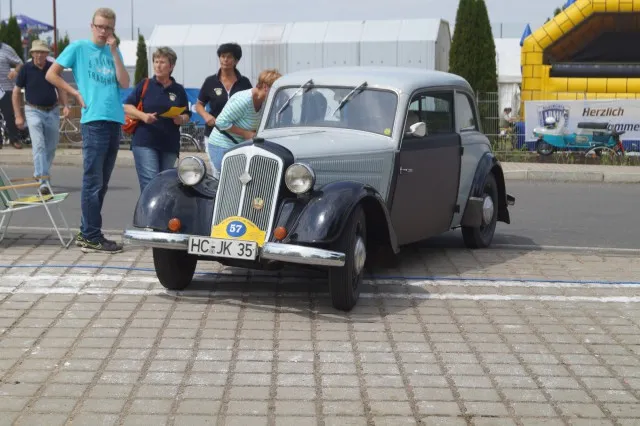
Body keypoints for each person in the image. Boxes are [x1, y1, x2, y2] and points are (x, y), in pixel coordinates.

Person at [46, 7, 130, 254]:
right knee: (93, 181)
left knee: (102, 183)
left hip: (114, 119)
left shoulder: (114, 51)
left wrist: (114, 52)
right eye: (100, 26)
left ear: (113, 30)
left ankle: (87, 233)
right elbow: (52, 74)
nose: (104, 31)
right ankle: (91, 235)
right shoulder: (79, 48)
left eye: (108, 28)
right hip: (94, 120)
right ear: (92, 26)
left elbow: (125, 83)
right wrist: (74, 92)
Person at [124, 47, 191, 193]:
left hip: (169, 144)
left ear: (171, 66)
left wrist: (181, 118)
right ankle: (147, 209)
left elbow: (187, 113)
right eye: (156, 61)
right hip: (145, 141)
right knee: (151, 184)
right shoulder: (145, 84)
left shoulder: (178, 89)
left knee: (165, 185)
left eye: (162, 62)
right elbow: (127, 106)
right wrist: (143, 116)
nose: (158, 66)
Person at [12, 40, 71, 195]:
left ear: (46, 54)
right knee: (39, 146)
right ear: (32, 54)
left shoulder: (52, 68)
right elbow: (16, 92)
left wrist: (66, 105)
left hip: (52, 110)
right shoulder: (25, 69)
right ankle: (43, 181)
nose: (39, 55)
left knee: (51, 147)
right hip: (33, 111)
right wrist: (18, 116)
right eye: (36, 52)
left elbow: (61, 88)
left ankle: (40, 172)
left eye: (42, 52)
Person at [207, 69, 282, 177]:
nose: (277, 95)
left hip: (239, 147)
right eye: (276, 91)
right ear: (266, 87)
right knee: (231, 180)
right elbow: (220, 122)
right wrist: (245, 133)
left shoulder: (263, 102)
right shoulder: (244, 100)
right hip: (221, 146)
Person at [195, 43, 252, 141]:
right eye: (222, 56)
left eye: (229, 57)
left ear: (236, 61)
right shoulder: (210, 81)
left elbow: (252, 106)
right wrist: (206, 115)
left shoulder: (244, 83)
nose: (225, 60)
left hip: (238, 136)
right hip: (214, 134)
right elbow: (199, 105)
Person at [0, 41, 25, 149]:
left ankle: (14, 139)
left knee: (9, 115)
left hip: (5, 88)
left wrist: (15, 71)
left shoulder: (6, 48)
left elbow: (20, 63)